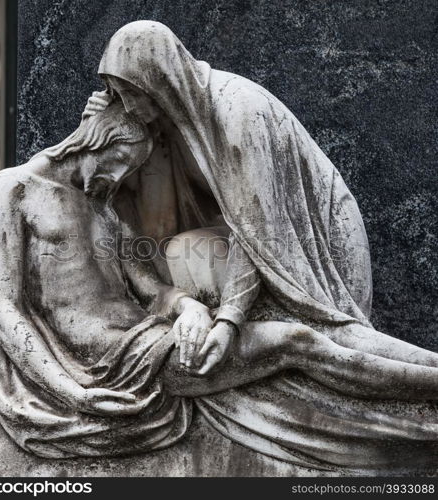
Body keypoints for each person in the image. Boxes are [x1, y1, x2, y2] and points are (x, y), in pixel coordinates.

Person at [73, 21, 438, 471]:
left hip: (310, 246)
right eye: (115, 93)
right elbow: (125, 207)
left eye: (129, 92)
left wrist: (228, 319)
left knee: (328, 338)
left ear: (161, 80)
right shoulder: (173, 121)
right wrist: (98, 124)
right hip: (234, 254)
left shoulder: (235, 112)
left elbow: (259, 233)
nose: (125, 104)